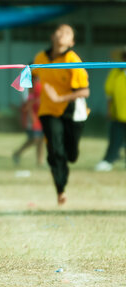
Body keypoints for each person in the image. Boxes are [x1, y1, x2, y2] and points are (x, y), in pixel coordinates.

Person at [33, 24, 90, 205]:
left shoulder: (73, 60)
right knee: (55, 151)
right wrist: (29, 99)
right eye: (59, 31)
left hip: (72, 112)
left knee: (71, 155)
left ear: (71, 41)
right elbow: (31, 76)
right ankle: (60, 189)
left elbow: (84, 92)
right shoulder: (40, 57)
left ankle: (68, 160)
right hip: (48, 112)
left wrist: (60, 98)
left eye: (67, 33)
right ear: (52, 35)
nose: (61, 35)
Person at [95, 48, 126, 172]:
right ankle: (109, 160)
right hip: (118, 113)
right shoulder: (116, 72)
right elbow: (109, 93)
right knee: (115, 138)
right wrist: (109, 110)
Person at [12, 75, 44, 167]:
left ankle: (40, 161)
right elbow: (28, 103)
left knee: (41, 138)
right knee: (35, 138)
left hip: (40, 114)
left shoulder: (39, 85)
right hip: (31, 116)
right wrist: (32, 116)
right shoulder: (27, 87)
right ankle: (17, 153)